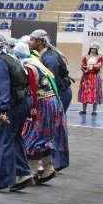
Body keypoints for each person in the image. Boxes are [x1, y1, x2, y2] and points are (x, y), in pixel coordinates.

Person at [0, 34, 35, 193]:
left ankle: (1, 180)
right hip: (24, 100)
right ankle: (23, 172)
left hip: (14, 103)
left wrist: (2, 109)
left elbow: (2, 88)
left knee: (3, 139)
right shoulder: (12, 57)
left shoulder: (0, 62)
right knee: (15, 138)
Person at [14, 41, 66, 185]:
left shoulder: (28, 67)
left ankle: (31, 171)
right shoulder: (37, 63)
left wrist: (33, 110)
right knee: (43, 136)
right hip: (52, 102)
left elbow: (33, 90)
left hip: (42, 104)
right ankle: (48, 167)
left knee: (32, 136)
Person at [29, 29, 70, 170]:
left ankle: (55, 163)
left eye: (32, 40)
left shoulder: (49, 58)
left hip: (59, 93)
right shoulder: (46, 55)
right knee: (54, 128)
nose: (30, 42)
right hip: (59, 92)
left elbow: (51, 82)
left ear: (39, 42)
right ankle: (51, 163)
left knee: (54, 128)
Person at [78, 43, 103, 115]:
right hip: (86, 78)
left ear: (97, 50)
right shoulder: (86, 57)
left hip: (94, 78)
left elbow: (98, 66)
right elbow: (82, 65)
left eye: (94, 48)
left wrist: (89, 67)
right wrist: (86, 68)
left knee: (94, 93)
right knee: (85, 93)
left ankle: (94, 110)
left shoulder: (99, 57)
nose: (93, 50)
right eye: (92, 48)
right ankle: (84, 110)